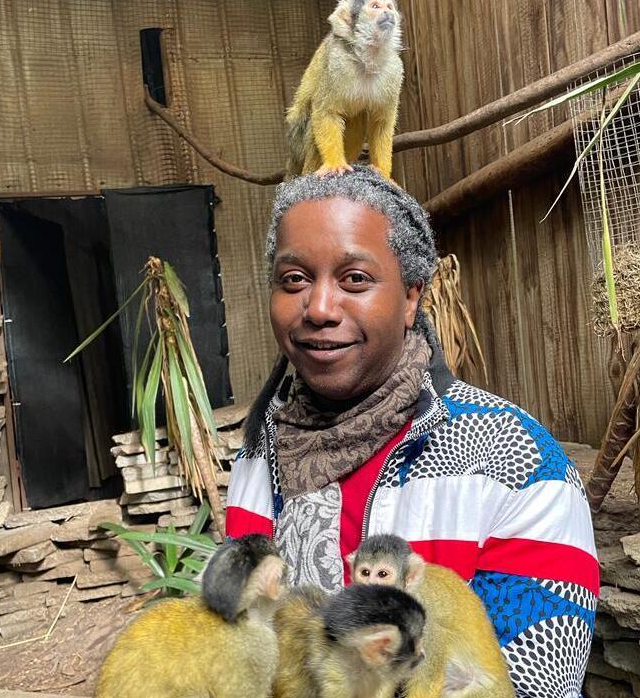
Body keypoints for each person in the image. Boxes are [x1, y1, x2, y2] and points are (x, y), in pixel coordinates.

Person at [226, 166, 598, 698]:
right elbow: (247, 645)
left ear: (410, 299)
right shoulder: (260, 453)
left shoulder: (513, 462)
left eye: (355, 278)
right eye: (294, 279)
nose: (319, 308)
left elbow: (532, 684)